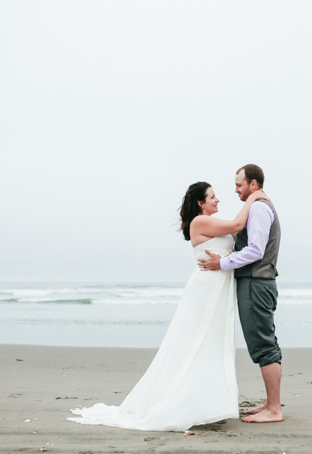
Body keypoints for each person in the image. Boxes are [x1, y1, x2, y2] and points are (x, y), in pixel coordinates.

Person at [67, 181, 268, 431]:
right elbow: (237, 225)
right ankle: (181, 400)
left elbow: (239, 236)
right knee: (195, 343)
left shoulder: (213, 223)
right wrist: (254, 198)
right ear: (200, 202)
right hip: (205, 291)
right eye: (213, 197)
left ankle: (208, 403)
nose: (218, 200)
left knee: (213, 344)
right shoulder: (199, 222)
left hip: (218, 290)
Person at [198, 163, 283, 423]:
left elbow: (256, 250)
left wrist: (221, 263)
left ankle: (274, 409)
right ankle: (270, 404)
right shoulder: (256, 206)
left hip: (256, 282)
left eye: (239, 184)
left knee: (263, 345)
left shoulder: (258, 207)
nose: (235, 190)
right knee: (263, 342)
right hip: (256, 282)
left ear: (253, 185)